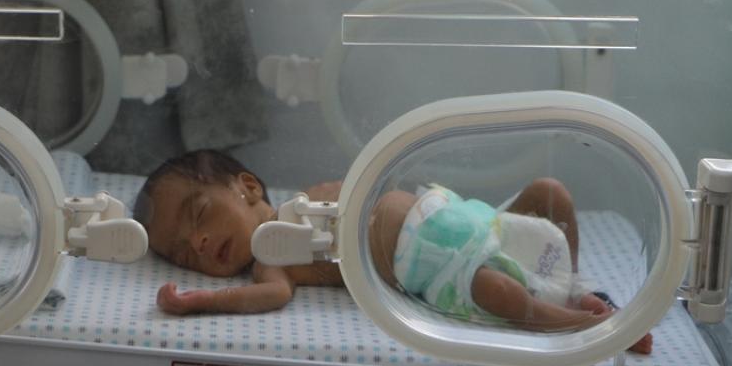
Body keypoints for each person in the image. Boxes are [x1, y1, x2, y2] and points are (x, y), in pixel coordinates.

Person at [133, 149, 652, 350]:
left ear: (248, 187)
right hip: (436, 268)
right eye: (183, 255)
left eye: (199, 215)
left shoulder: (305, 197)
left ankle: (571, 287)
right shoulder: (272, 259)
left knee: (549, 194)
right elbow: (271, 297)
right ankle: (585, 326)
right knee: (496, 291)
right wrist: (201, 302)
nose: (198, 243)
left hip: (466, 219)